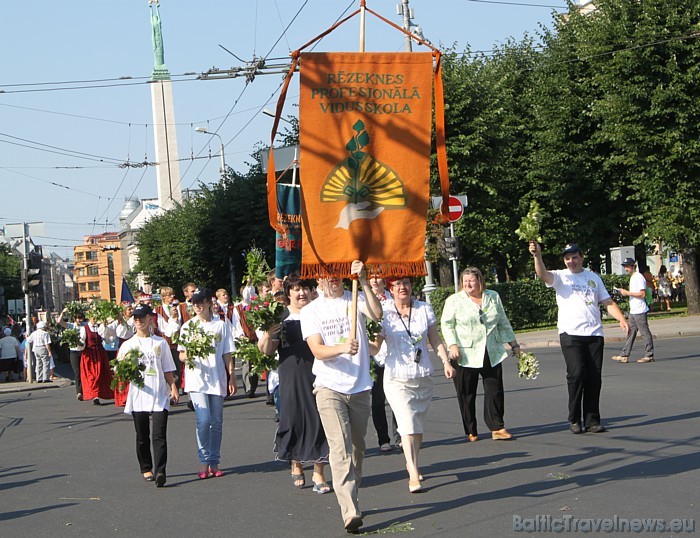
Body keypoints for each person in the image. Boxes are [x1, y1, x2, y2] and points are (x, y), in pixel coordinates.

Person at [300, 260, 382, 534]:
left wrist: (366, 281)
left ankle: (352, 492)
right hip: (328, 387)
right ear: (318, 280)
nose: (332, 279)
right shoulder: (311, 311)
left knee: (357, 448)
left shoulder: (354, 297)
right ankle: (350, 510)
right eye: (326, 275)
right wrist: (342, 347)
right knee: (340, 449)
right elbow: (317, 351)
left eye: (336, 274)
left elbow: (377, 313)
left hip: (358, 387)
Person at [529, 241, 629, 434]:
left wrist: (621, 319)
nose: (571, 261)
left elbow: (606, 301)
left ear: (581, 257)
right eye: (567, 258)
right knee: (576, 374)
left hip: (594, 334)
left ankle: (592, 420)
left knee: (594, 377)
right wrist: (537, 256)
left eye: (575, 257)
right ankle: (574, 418)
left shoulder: (593, 277)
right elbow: (542, 274)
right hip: (570, 334)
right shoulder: (560, 277)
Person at [372, 277, 450, 493]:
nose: (402, 287)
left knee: (416, 426)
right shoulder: (384, 311)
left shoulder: (424, 309)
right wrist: (361, 346)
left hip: (422, 374)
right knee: (406, 422)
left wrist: (445, 362)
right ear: (391, 288)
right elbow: (376, 346)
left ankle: (412, 461)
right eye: (397, 284)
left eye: (406, 283)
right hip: (396, 376)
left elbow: (434, 339)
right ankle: (413, 472)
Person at [258, 274, 331, 494]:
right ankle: (296, 460)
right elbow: (266, 351)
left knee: (321, 419)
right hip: (291, 374)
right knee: (294, 419)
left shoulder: (320, 312)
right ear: (288, 293)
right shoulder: (281, 316)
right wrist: (270, 335)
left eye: (305, 288)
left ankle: (319, 472)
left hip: (319, 371)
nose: (302, 293)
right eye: (297, 289)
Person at [440, 267, 520, 443]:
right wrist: (452, 345)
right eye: (465, 281)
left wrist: (514, 345)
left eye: (471, 280)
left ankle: (497, 427)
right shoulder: (454, 300)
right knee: (466, 392)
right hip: (464, 353)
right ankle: (471, 429)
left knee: (495, 390)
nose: (468, 284)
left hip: (490, 350)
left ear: (480, 281)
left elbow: (503, 322)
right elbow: (447, 324)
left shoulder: (492, 296)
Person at [178, 287, 237, 479]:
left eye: (201, 302)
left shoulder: (221, 325)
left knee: (216, 422)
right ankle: (203, 460)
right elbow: (181, 354)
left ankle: (214, 461)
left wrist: (232, 375)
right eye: (194, 303)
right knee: (203, 420)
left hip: (216, 377)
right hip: (196, 379)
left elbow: (227, 352)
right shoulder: (188, 326)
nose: (197, 306)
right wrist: (190, 354)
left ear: (209, 303)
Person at [118, 304, 180, 487]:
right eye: (136, 318)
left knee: (159, 434)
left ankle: (161, 470)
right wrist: (125, 371)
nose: (139, 321)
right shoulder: (128, 345)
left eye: (142, 317)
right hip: (139, 394)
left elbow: (167, 368)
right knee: (142, 435)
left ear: (150, 319)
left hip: (159, 394)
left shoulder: (160, 343)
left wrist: (173, 387)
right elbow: (120, 370)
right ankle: (146, 467)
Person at [367, 276, 399, 453]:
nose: (374, 281)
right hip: (374, 355)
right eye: (371, 277)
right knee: (378, 399)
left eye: (377, 277)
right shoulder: (362, 298)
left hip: (393, 353)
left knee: (397, 398)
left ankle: (400, 435)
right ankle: (383, 439)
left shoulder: (392, 299)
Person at [611, 258, 655, 364]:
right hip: (634, 310)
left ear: (633, 266)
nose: (626, 269)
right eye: (625, 266)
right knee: (630, 332)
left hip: (640, 310)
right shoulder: (633, 277)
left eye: (627, 266)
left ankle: (649, 354)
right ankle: (624, 355)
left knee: (644, 332)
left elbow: (642, 294)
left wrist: (627, 293)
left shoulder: (638, 277)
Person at [80, 313, 115, 405]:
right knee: (92, 375)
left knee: (100, 374)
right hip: (89, 354)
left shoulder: (99, 328)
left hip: (100, 353)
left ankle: (99, 394)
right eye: (94, 317)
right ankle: (94, 395)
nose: (95, 319)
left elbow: (107, 339)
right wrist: (80, 344)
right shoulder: (85, 328)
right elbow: (82, 341)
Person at [58, 308, 86, 399]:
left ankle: (86, 390)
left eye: (81, 318)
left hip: (84, 351)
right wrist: (63, 312)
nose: (80, 320)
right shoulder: (71, 326)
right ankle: (79, 392)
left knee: (85, 371)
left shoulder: (85, 326)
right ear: (74, 319)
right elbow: (60, 322)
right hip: (74, 352)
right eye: (78, 318)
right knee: (77, 372)